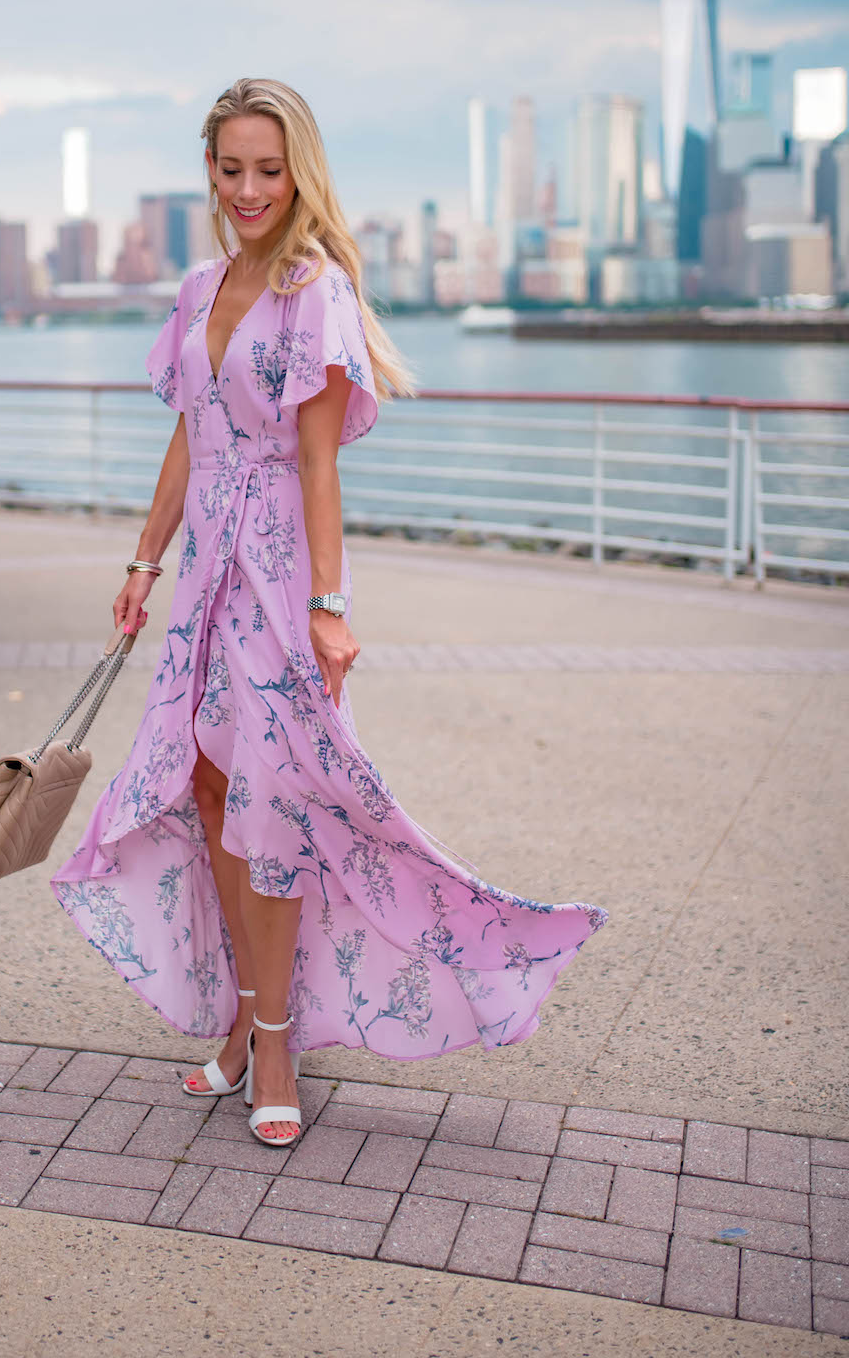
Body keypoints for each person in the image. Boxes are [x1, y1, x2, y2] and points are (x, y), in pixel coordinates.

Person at [53, 78, 608, 1147]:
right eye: (231, 168)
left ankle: (272, 1041)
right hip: (204, 577)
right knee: (207, 795)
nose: (250, 187)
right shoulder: (200, 282)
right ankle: (249, 1010)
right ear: (209, 171)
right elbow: (188, 436)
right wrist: (141, 559)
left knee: (273, 808)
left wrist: (328, 606)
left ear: (299, 173)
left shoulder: (316, 292)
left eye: (270, 168)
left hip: (273, 575)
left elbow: (317, 463)